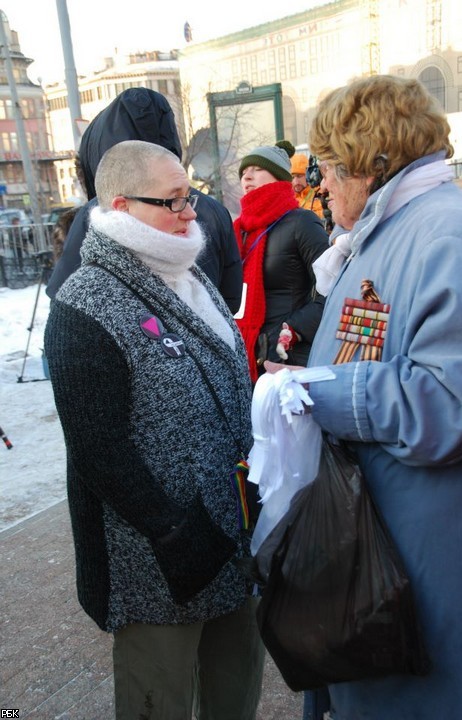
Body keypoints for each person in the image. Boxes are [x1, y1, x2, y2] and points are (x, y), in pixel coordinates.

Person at [266, 75, 462, 720]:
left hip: (425, 557)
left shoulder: (443, 233)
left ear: (372, 163)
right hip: (385, 548)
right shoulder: (396, 229)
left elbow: (452, 402)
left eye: (327, 169)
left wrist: (319, 391)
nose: (319, 186)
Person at [44, 140, 265, 720]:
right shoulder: (86, 302)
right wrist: (175, 531)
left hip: (231, 540)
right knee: (158, 702)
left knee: (234, 692)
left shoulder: (186, 275)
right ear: (121, 206)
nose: (191, 213)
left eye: (189, 195)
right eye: (173, 201)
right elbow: (98, 450)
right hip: (159, 565)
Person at [46, 87, 243, 314]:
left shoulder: (98, 214)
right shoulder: (215, 210)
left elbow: (64, 306)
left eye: (184, 199)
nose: (190, 214)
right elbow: (229, 301)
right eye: (174, 201)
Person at [235, 142, 329, 383]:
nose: (247, 175)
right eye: (244, 172)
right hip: (246, 355)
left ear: (277, 176)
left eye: (256, 169)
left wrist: (293, 330)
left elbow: (332, 288)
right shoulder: (238, 231)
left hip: (288, 357)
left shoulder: (302, 222)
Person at [290, 152, 325, 220]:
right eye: (292, 177)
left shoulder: (320, 193)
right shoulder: (287, 197)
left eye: (299, 176)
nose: (295, 181)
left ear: (307, 175)